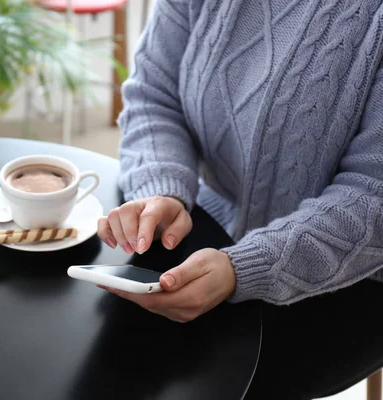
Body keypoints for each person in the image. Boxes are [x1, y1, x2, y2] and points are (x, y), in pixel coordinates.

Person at [97, 0, 383, 323]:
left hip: (343, 278)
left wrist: (244, 267)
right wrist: (164, 188)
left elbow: (372, 198)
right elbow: (154, 95)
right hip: (207, 225)